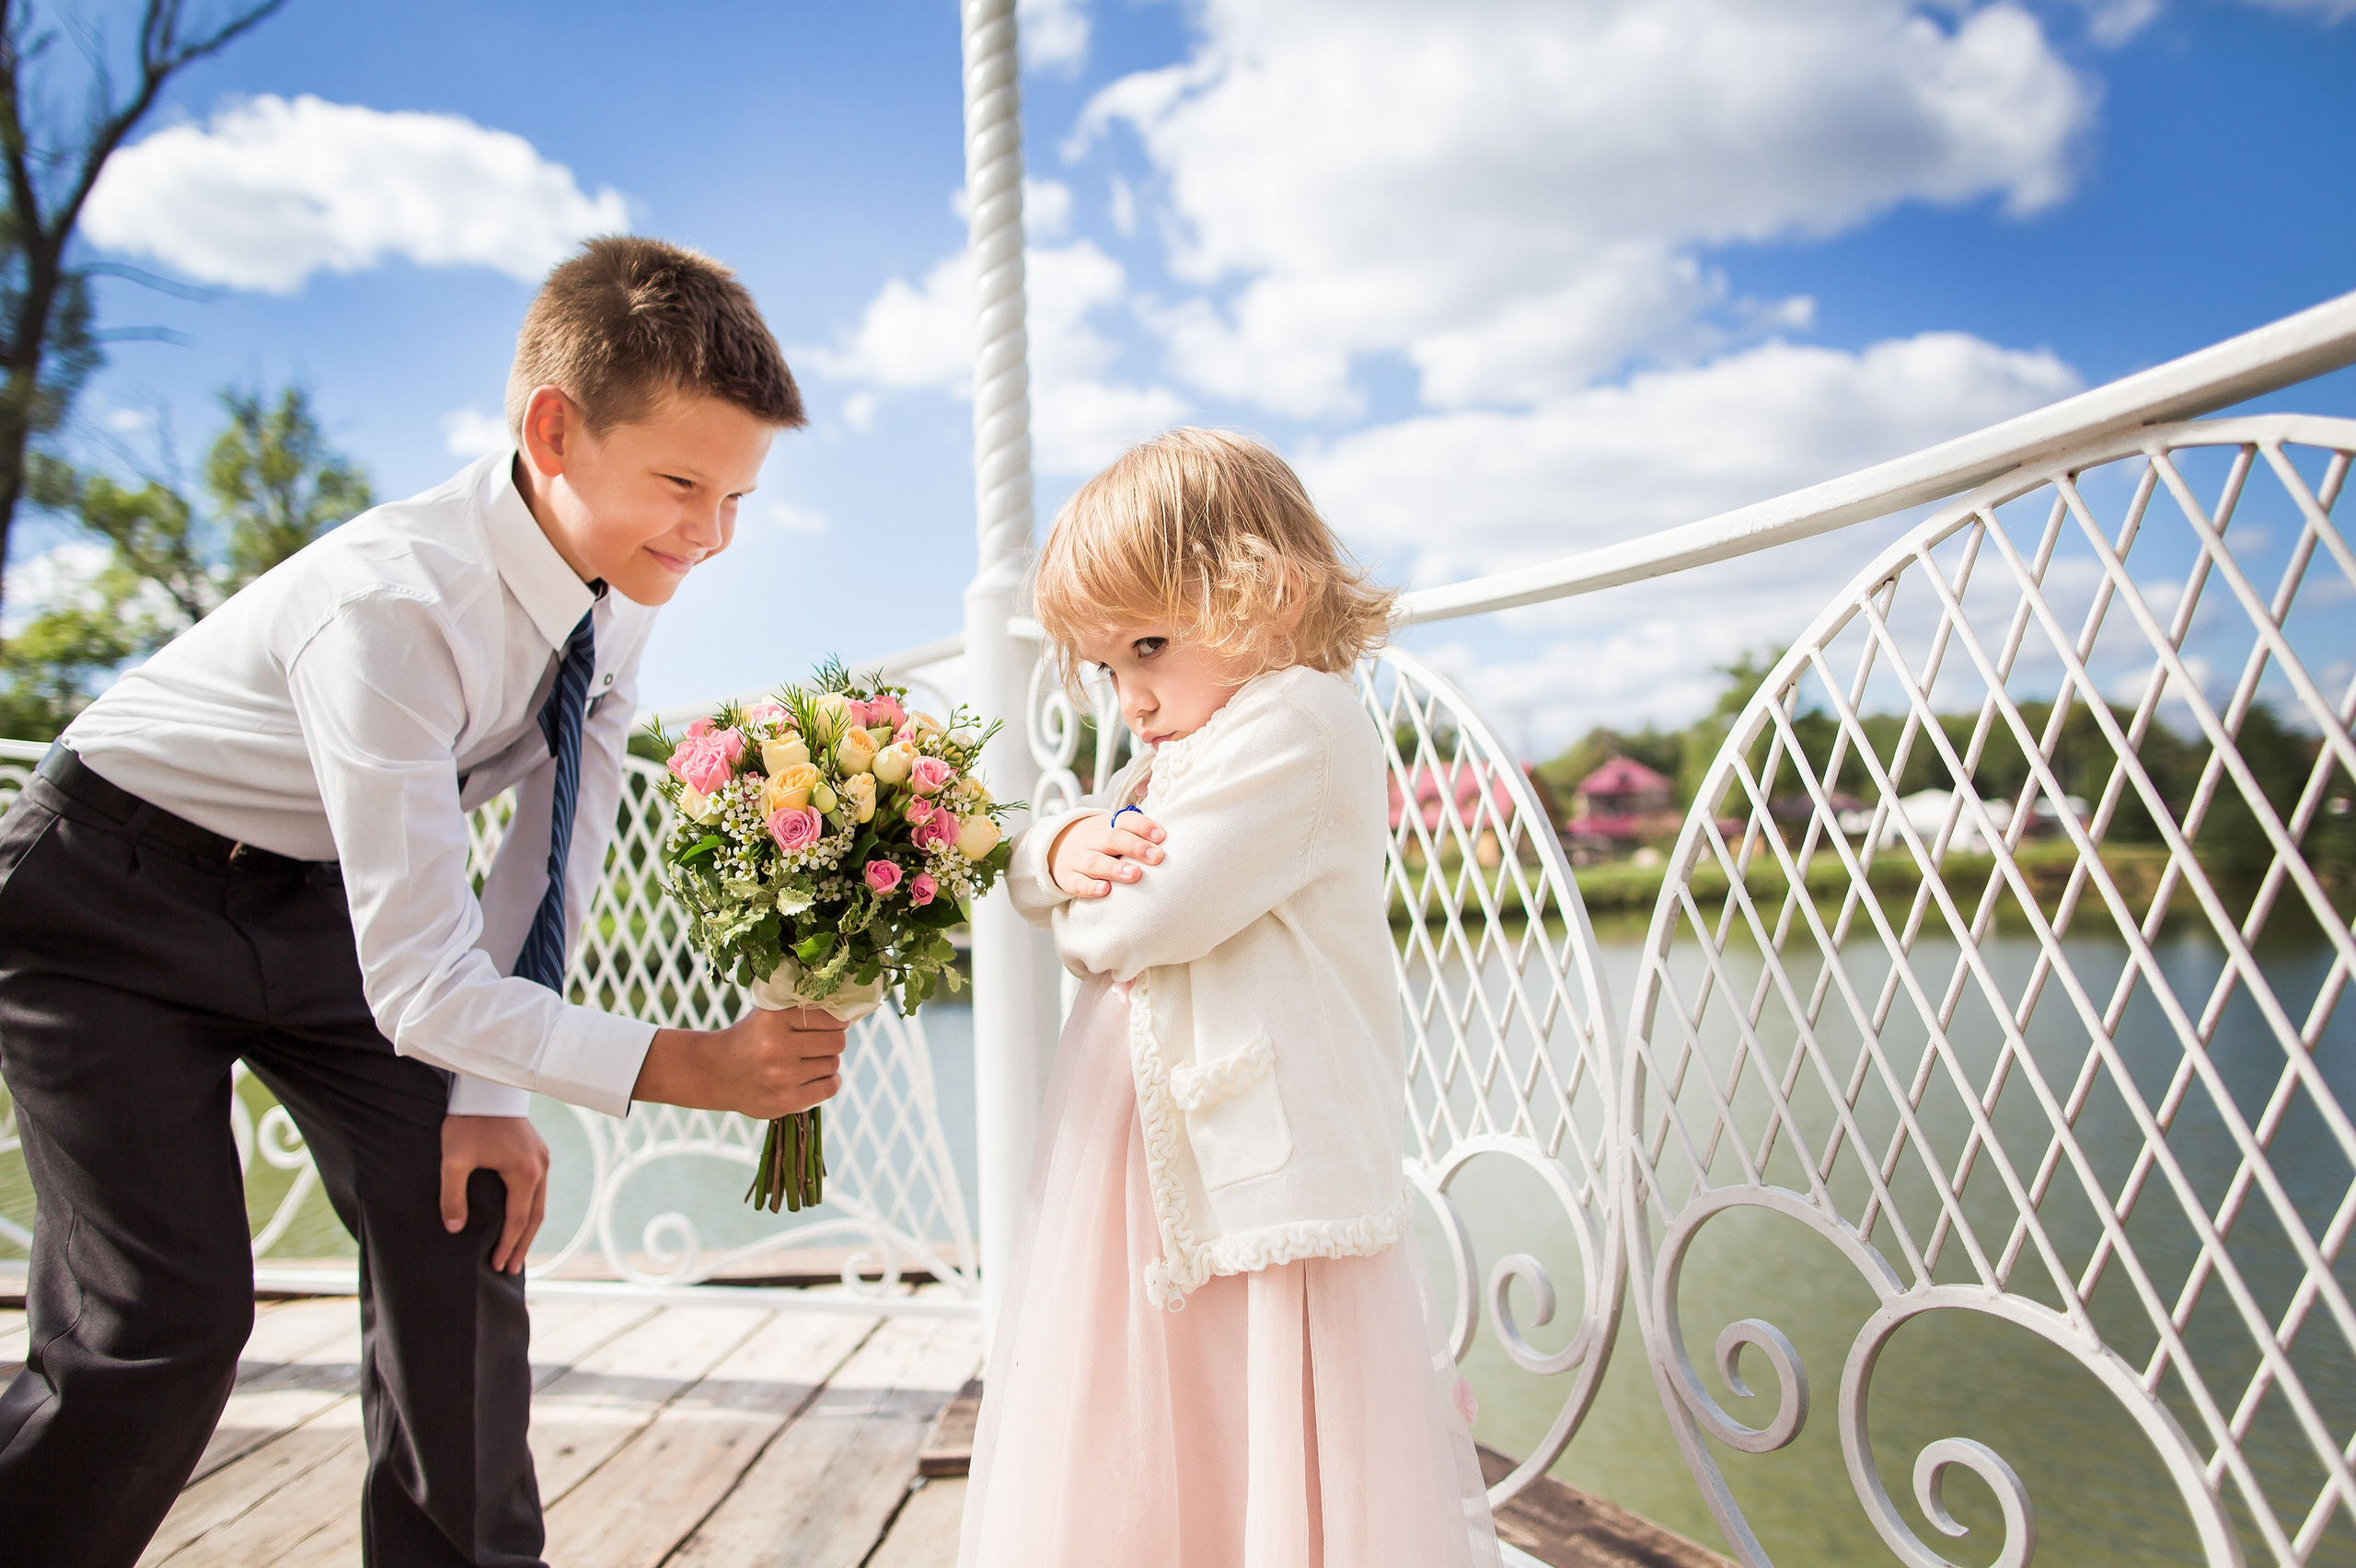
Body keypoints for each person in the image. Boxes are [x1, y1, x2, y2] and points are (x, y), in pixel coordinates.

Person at [0, 237, 849, 1568]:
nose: (710, 534)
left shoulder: (620, 588)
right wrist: (683, 1065)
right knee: (161, 1320)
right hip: (112, 903)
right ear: (554, 431)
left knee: (465, 1235)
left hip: (328, 902)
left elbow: (548, 853)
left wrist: (493, 1100)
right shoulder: (389, 607)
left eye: (737, 497)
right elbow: (418, 983)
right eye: (684, 484)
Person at [959, 428, 1500, 1566]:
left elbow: (1137, 917)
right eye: (1109, 669)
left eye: (1148, 646)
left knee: (1256, 1414)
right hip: (1158, 1166)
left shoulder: (1295, 724)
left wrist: (1076, 884)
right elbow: (1032, 862)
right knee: (1153, 1410)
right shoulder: (1179, 753)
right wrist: (1061, 844)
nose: (1132, 698)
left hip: (1260, 1174)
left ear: (1268, 593)